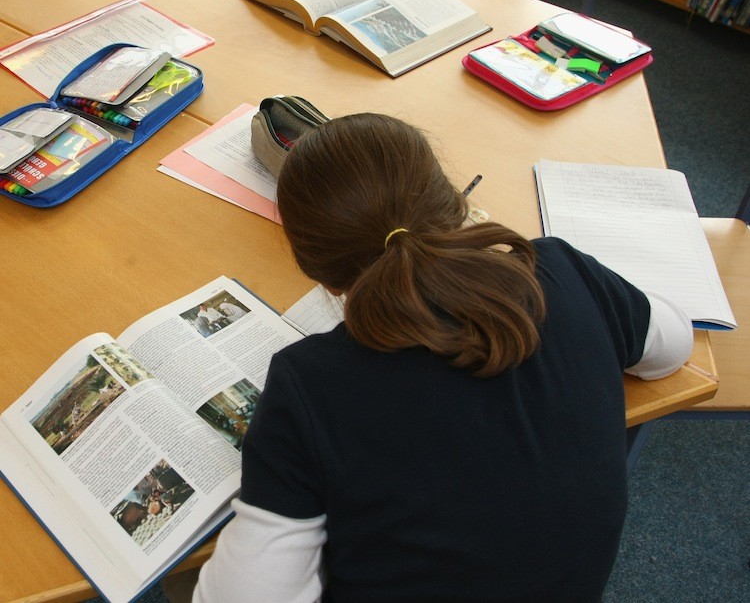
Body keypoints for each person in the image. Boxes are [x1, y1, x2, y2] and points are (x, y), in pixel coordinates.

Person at [193, 114, 693, 603]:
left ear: (319, 273)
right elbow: (673, 345)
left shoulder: (312, 384)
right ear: (455, 202)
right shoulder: (560, 271)